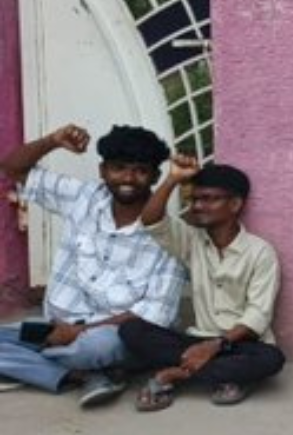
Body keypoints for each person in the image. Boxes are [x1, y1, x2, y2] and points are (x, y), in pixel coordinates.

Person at [0, 124, 185, 406]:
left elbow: (152, 316)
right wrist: (53, 140)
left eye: (140, 170)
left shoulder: (169, 238)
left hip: (112, 337)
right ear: (102, 171)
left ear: (155, 177)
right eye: (119, 168)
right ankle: (79, 375)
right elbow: (13, 168)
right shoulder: (83, 197)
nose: (128, 178)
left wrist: (77, 333)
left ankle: (67, 362)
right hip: (58, 326)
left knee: (96, 347)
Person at [120, 154, 286, 410]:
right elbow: (151, 220)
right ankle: (224, 377)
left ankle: (173, 375)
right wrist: (173, 178)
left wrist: (214, 346)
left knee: (272, 359)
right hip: (196, 340)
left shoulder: (260, 252)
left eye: (209, 199)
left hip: (241, 345)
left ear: (234, 204)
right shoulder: (191, 240)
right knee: (131, 330)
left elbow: (258, 316)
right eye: (195, 199)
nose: (197, 206)